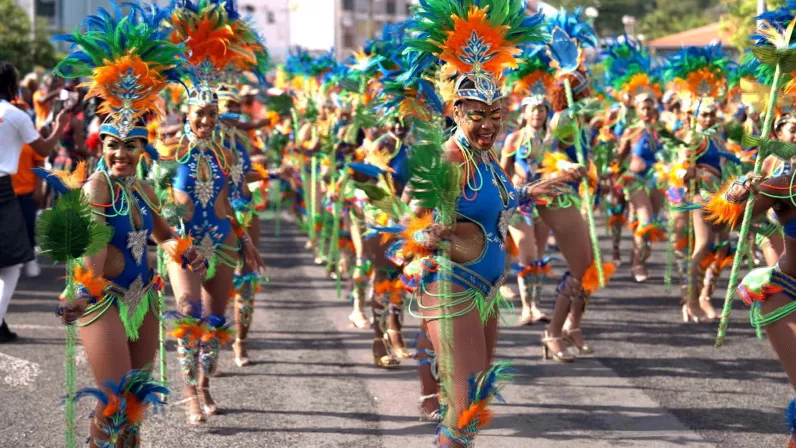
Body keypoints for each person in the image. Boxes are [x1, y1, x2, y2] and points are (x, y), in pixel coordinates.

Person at [0, 61, 68, 343]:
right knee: (12, 264)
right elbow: (42, 148)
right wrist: (60, 127)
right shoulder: (15, 114)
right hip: (3, 191)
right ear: (11, 85)